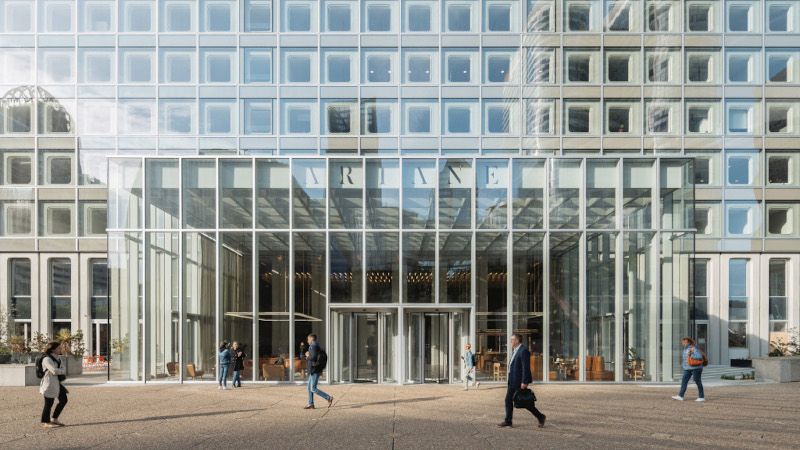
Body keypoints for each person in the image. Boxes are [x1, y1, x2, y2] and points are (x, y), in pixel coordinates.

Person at [498, 334, 546, 429]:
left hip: (518, 381)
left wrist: (524, 381)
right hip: (512, 381)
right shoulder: (516, 350)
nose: (510, 341)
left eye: (512, 339)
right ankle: (508, 421)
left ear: (517, 340)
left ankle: (540, 416)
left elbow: (525, 367)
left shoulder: (523, 351)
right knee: (508, 400)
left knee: (524, 402)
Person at [40, 341, 68, 428]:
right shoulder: (47, 359)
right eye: (59, 348)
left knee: (63, 399)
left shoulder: (58, 358)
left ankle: (54, 418)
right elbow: (54, 371)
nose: (61, 349)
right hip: (49, 382)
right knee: (49, 403)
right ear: (52, 350)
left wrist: (60, 371)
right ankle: (46, 422)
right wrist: (61, 371)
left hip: (56, 382)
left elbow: (63, 368)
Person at [304, 334, 333, 410]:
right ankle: (311, 404)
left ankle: (328, 397)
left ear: (311, 339)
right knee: (309, 387)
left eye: (308, 339)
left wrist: (307, 356)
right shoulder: (317, 346)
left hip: (314, 370)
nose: (307, 341)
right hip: (315, 369)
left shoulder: (313, 346)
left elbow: (313, 358)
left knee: (313, 388)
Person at [673, 337, 706, 402]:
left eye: (685, 342)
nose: (684, 343)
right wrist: (683, 365)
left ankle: (701, 397)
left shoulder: (694, 348)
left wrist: (690, 354)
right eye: (683, 342)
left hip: (696, 368)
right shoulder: (685, 349)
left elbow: (700, 357)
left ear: (689, 342)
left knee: (698, 382)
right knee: (684, 382)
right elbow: (686, 359)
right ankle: (680, 396)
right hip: (687, 368)